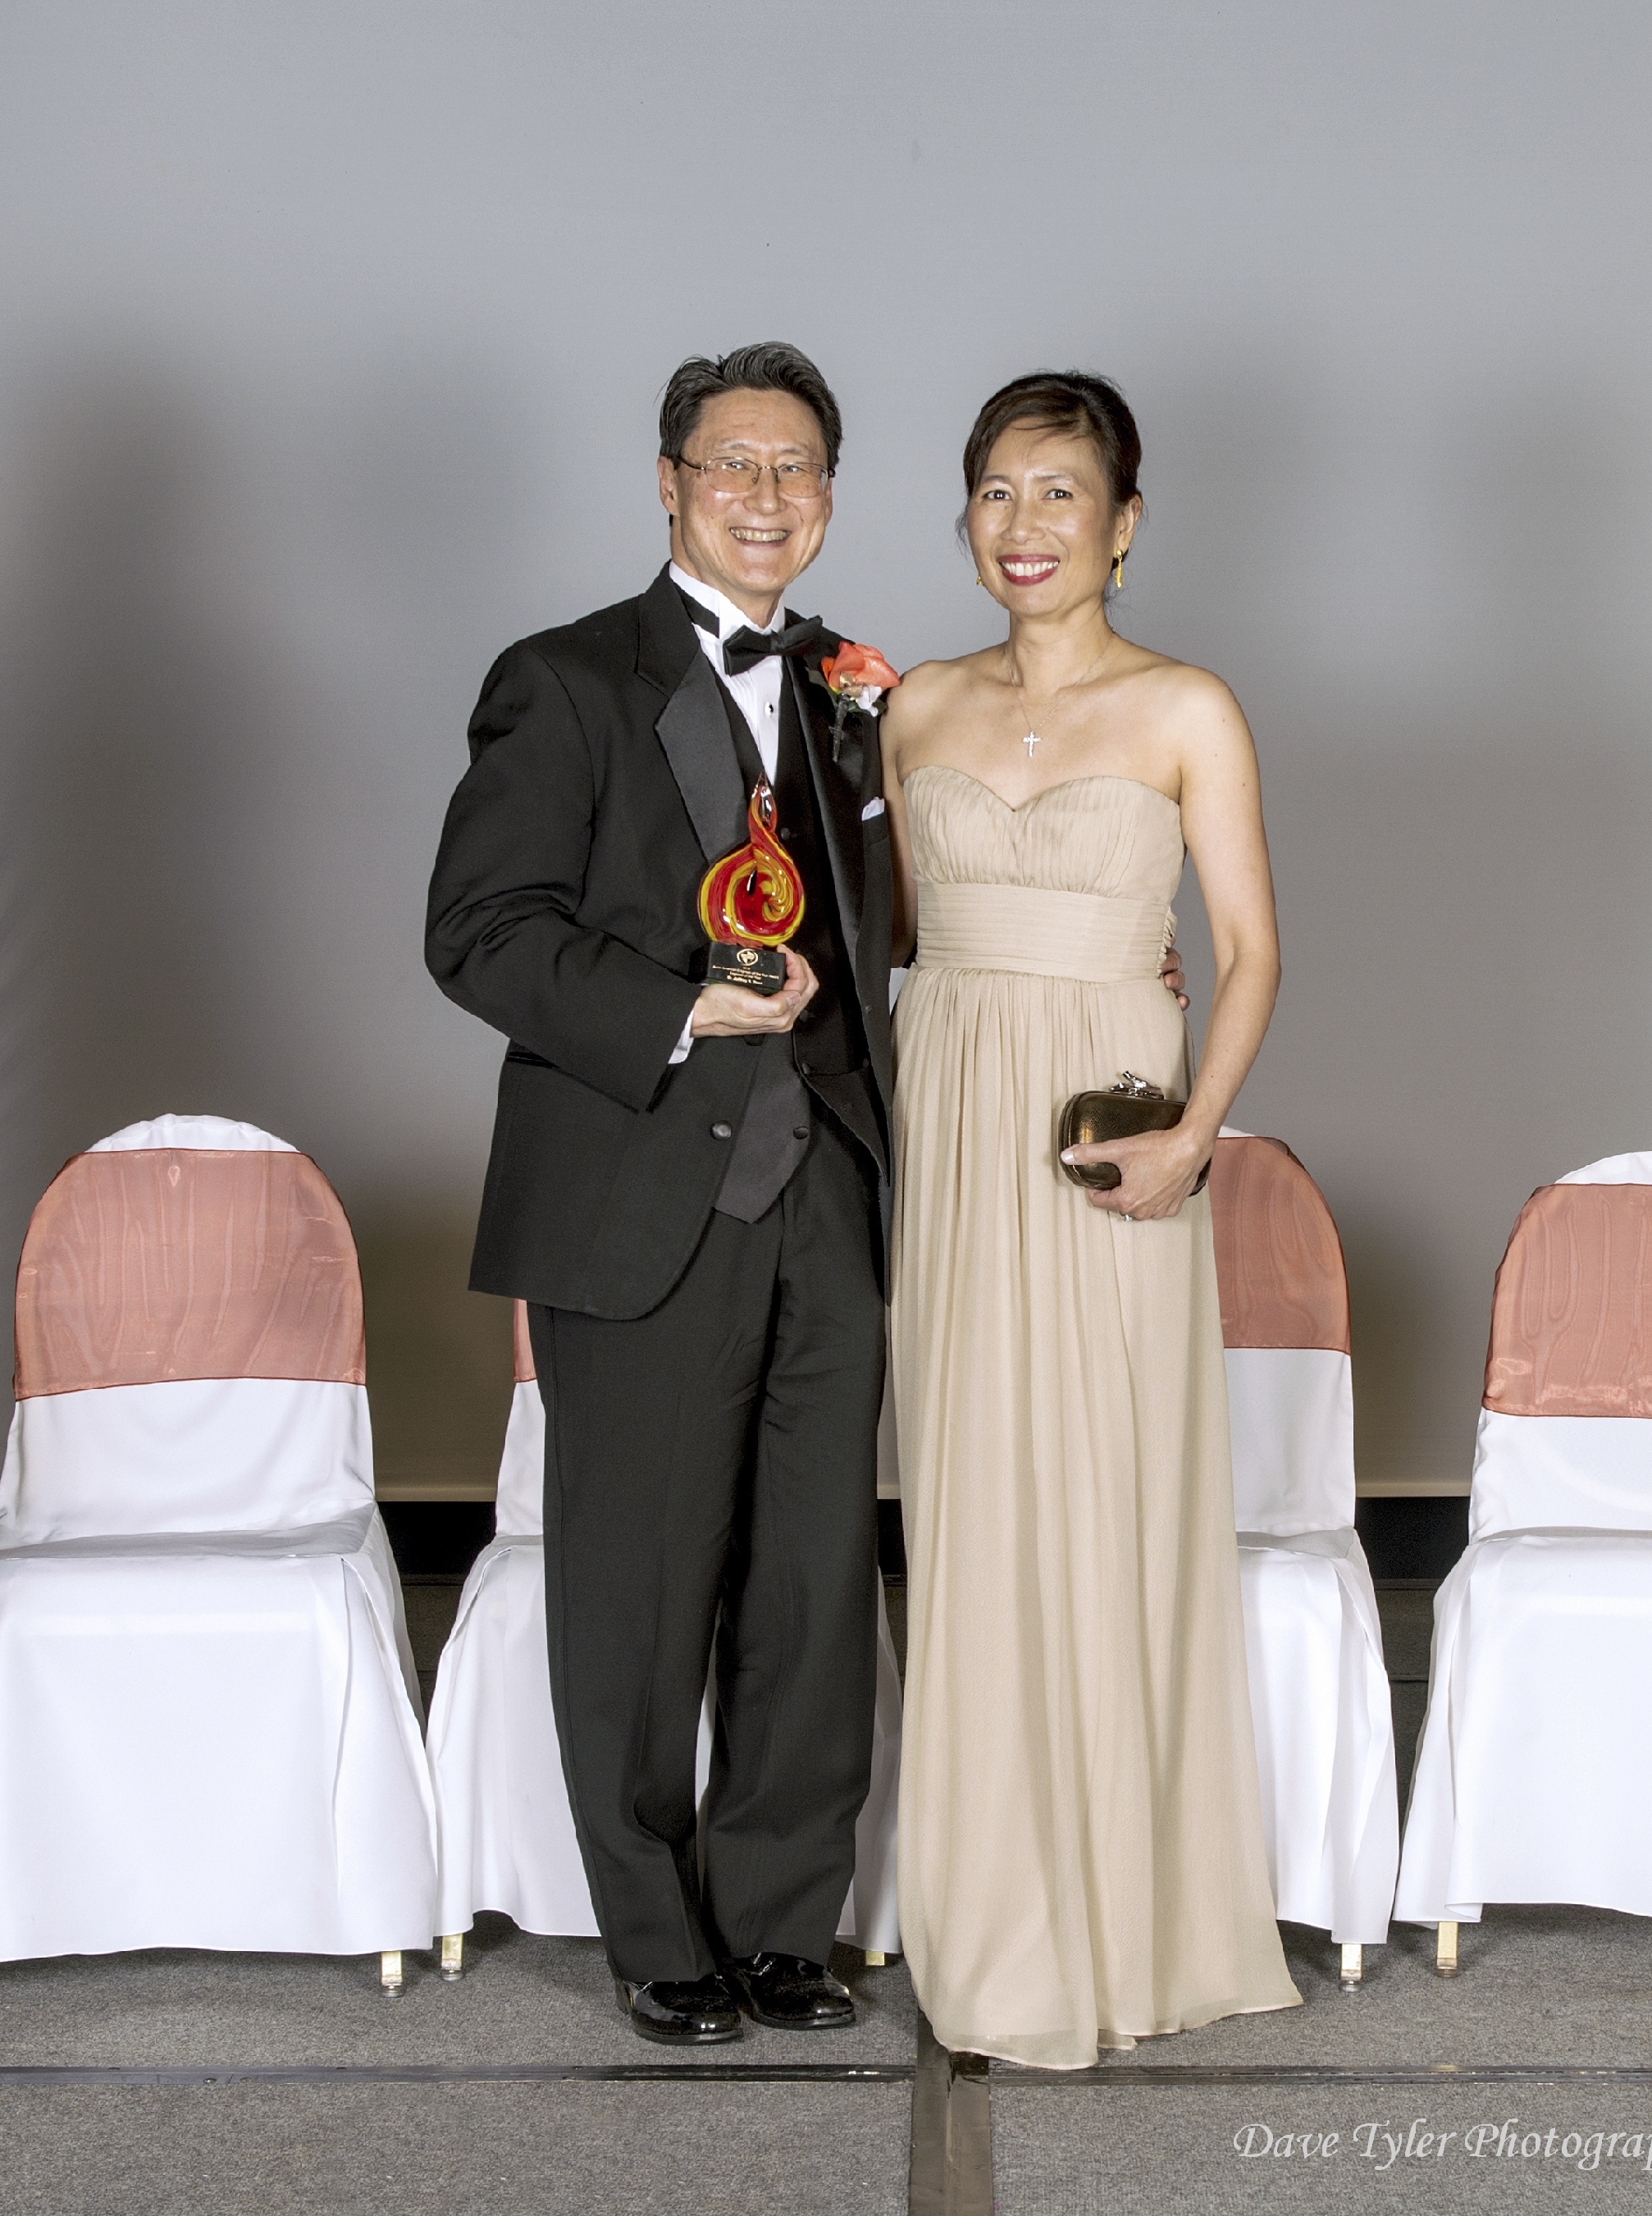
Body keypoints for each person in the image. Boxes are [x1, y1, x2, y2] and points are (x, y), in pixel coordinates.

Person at [425, 343, 897, 2047]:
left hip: (825, 1193)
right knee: (636, 1584)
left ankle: (780, 1924)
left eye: (796, 468)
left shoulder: (850, 694)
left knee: (812, 1584)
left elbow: (897, 924)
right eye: (732, 465)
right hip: (643, 1191)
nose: (765, 496)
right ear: (669, 482)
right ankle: (654, 1929)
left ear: (827, 493)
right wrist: (679, 1008)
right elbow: (477, 931)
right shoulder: (561, 680)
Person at [882, 371, 1303, 2069]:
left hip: (1108, 1134)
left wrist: (1193, 1133)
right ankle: (989, 1911)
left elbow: (1252, 950)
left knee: (1111, 1484)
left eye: (1058, 491)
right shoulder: (912, 705)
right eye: (995, 489)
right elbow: (890, 930)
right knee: (969, 1485)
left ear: (1123, 523)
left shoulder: (1187, 706)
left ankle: (1129, 1915)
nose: (1023, 523)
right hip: (951, 1118)